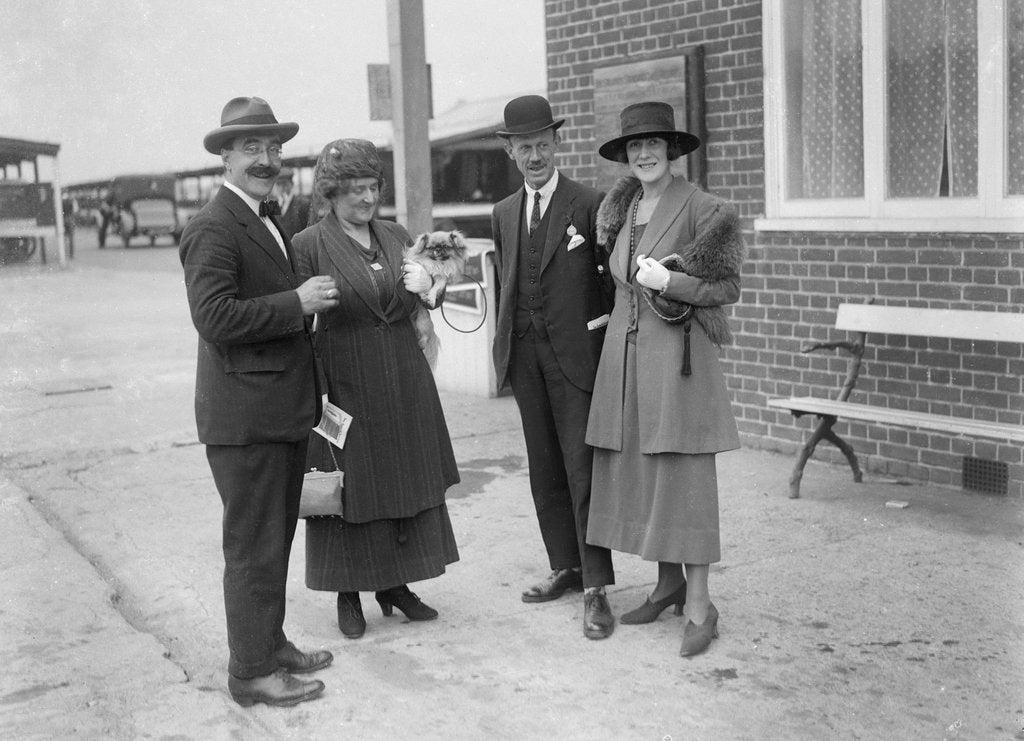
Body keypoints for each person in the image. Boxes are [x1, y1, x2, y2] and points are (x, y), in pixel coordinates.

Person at [179, 96, 339, 707]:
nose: (265, 160)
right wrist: (295, 304)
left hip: (274, 410)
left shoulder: (263, 215)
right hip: (245, 420)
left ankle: (268, 646)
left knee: (272, 541)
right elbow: (214, 317)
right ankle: (250, 673)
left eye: (272, 149)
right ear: (225, 155)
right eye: (251, 148)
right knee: (252, 547)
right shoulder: (214, 225)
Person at [585, 101, 745, 657]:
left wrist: (672, 283)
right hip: (626, 361)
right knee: (644, 471)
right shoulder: (622, 210)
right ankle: (667, 583)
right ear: (626, 156)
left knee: (683, 477)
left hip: (679, 363)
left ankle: (701, 606)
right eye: (635, 146)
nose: (645, 153)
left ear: (672, 150)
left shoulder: (704, 207)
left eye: (655, 144)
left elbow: (727, 289)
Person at [292, 138, 460, 640]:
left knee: (403, 476)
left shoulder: (395, 234)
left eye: (372, 187)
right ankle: (349, 594)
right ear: (330, 192)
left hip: (403, 377)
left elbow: (427, 293)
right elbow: (301, 326)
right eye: (354, 189)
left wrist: (431, 292)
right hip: (343, 380)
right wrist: (313, 394)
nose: (366, 199)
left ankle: (395, 585)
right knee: (353, 486)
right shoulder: (310, 244)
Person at [491, 95, 616, 640]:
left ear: (556, 144)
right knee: (544, 468)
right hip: (526, 356)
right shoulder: (502, 212)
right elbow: (509, 282)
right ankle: (564, 565)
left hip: (576, 359)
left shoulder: (589, 203)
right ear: (511, 152)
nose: (535, 155)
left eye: (543, 144)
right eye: (525, 147)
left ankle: (596, 586)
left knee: (581, 468)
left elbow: (608, 285)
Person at [271, 166, 311, 239]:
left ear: (291, 184)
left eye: (285, 184)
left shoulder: (303, 204)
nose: (283, 188)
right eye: (279, 184)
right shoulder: (273, 206)